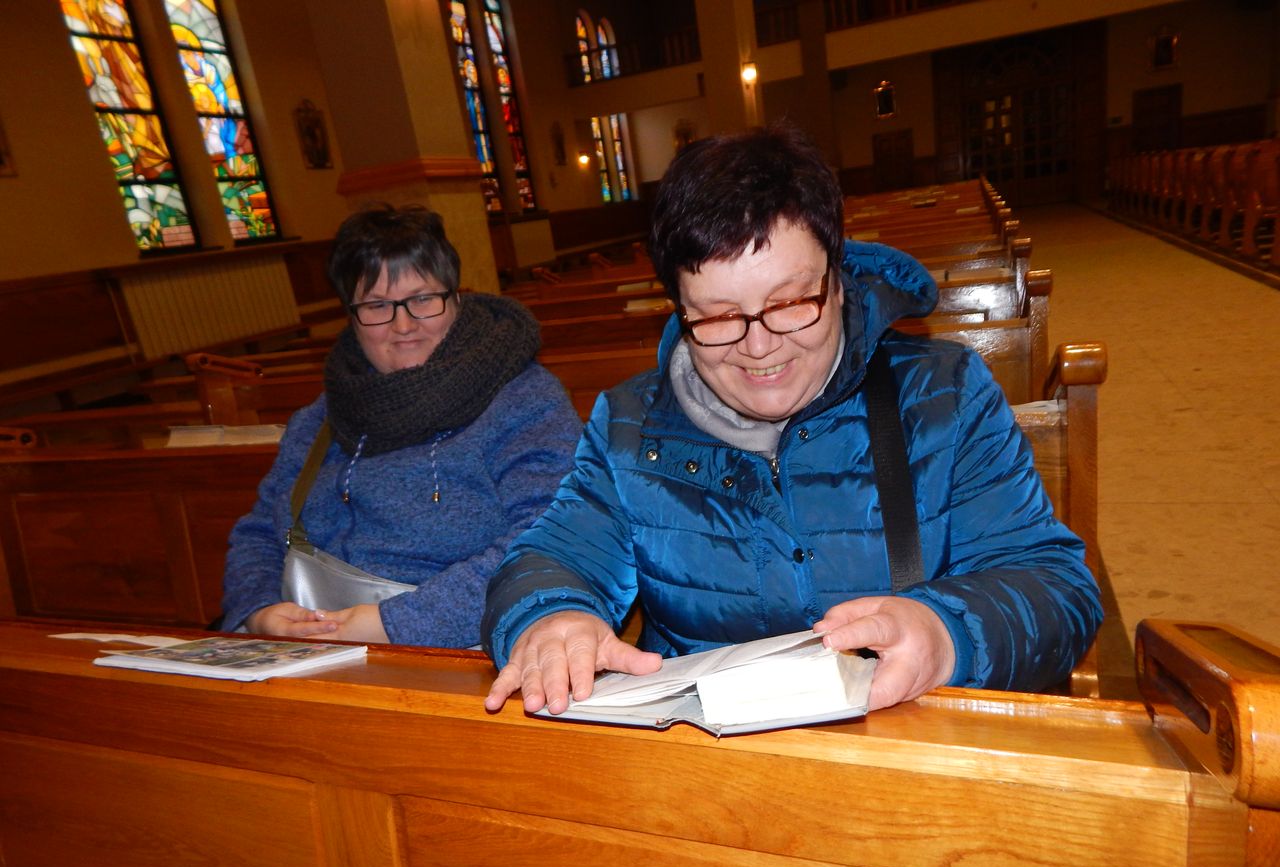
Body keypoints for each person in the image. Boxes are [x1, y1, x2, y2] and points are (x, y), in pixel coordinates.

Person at [482, 124, 1102, 714]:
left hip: (903, 750)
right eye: (718, 316)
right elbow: (553, 559)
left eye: (790, 302)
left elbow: (1056, 587)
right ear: (679, 311)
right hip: (706, 759)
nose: (759, 347)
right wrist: (549, 617)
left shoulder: (944, 395)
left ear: (837, 282)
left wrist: (946, 633)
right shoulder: (629, 426)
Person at [221, 204, 582, 646]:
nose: (403, 325)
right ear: (351, 316)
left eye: (423, 300)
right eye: (377, 305)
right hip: (314, 642)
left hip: (465, 642)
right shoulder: (320, 419)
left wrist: (395, 624)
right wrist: (259, 610)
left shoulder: (524, 399)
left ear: (455, 298)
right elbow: (260, 531)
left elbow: (552, 534)